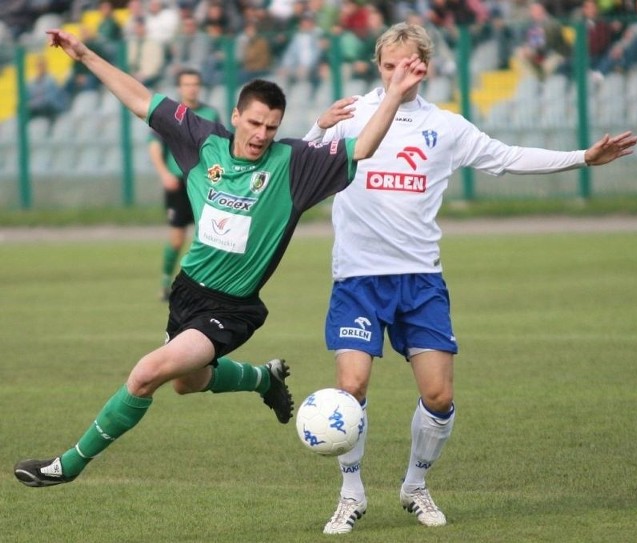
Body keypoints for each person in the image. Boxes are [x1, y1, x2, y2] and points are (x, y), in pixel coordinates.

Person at [13, 26, 428, 489]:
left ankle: (66, 465)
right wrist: (85, 53)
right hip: (187, 292)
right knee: (186, 382)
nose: (261, 135)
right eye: (253, 124)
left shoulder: (293, 164)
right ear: (236, 116)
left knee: (147, 373)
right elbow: (139, 99)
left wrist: (393, 95)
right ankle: (263, 379)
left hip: (232, 309)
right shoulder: (200, 140)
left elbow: (364, 147)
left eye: (271, 127)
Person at [303, 22, 637, 535]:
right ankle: (350, 494)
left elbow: (508, 158)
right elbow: (299, 168)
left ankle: (415, 485)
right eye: (388, 66)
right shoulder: (352, 117)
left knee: (438, 397)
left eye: (408, 65)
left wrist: (583, 158)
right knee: (350, 388)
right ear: (377, 66)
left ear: (426, 67)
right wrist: (319, 129)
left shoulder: (447, 127)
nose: (398, 74)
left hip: (420, 281)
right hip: (358, 279)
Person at [149, 68, 219, 302]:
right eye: (187, 84)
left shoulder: (210, 113)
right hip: (178, 183)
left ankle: (203, 285)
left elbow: (219, 148)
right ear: (180, 87)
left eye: (195, 83)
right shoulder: (172, 115)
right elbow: (155, 147)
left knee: (210, 236)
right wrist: (164, 174)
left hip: (205, 183)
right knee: (178, 238)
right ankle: (165, 283)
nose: (192, 88)